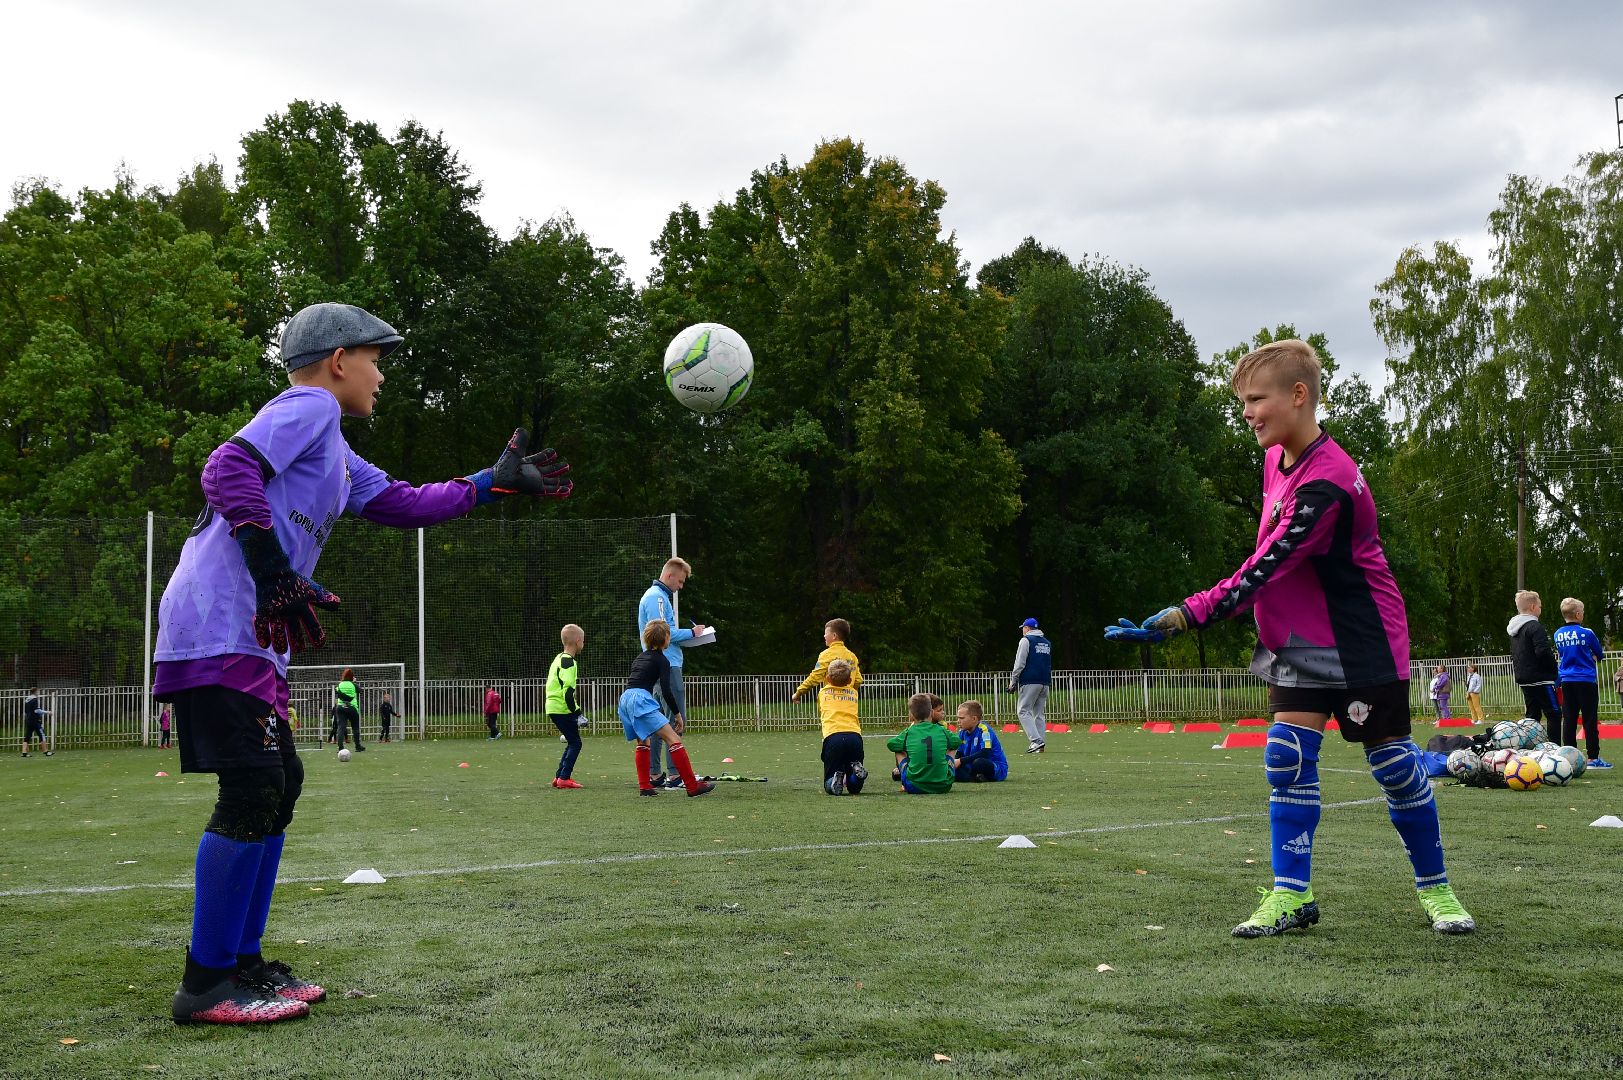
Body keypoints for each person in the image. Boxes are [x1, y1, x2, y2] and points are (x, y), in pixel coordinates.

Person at [152, 300, 572, 1025]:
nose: (381, 375)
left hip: (247, 634)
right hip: (218, 623)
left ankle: (242, 965)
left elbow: (405, 501)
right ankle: (206, 984)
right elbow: (226, 468)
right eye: (376, 359)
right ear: (339, 361)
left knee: (278, 784)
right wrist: (272, 565)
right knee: (253, 791)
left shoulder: (336, 451)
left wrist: (488, 483)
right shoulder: (309, 406)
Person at [1104, 338, 1474, 938]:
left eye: (1256, 400)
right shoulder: (1276, 458)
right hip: (1297, 643)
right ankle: (1291, 896)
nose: (1247, 413)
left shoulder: (1328, 483)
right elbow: (1268, 560)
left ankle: (1438, 892)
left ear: (1298, 396)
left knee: (1396, 767)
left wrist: (1184, 615)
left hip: (1361, 643)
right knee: (1285, 758)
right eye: (1243, 402)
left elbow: (1266, 566)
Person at [618, 619, 713, 798]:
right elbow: (667, 690)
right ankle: (692, 787)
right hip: (640, 700)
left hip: (626, 698)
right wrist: (677, 714)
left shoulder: (640, 656)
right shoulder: (663, 660)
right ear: (665, 639)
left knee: (643, 742)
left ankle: (645, 787)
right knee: (673, 739)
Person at [637, 558, 709, 788]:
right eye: (680, 581)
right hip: (667, 664)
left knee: (656, 720)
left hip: (658, 664)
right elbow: (662, 633)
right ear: (669, 576)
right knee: (674, 719)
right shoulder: (658, 598)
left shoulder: (654, 596)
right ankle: (675, 775)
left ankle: (656, 774)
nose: (681, 586)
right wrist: (693, 633)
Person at [1553, 597, 1611, 769]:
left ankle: (1568, 758)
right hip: (1586, 680)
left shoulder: (1557, 634)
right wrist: (1592, 657)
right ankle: (1593, 758)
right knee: (1590, 719)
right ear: (1578, 614)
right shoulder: (1587, 633)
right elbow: (1599, 654)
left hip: (1567, 681)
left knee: (1569, 720)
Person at [1508, 590, 1561, 738]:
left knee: (1532, 716)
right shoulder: (1535, 627)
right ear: (1532, 607)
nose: (1540, 609)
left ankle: (1531, 748)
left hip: (1524, 678)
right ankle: (1554, 749)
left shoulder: (1514, 629)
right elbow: (1543, 652)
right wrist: (1554, 671)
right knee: (1553, 713)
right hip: (1541, 678)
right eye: (1540, 606)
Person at [887, 693, 956, 794]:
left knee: (898, 749)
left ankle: (904, 781)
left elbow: (891, 744)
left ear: (911, 716)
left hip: (914, 787)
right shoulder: (942, 729)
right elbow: (957, 741)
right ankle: (941, 775)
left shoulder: (909, 732)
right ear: (931, 713)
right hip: (943, 786)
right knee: (953, 746)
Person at [817, 659, 865, 795]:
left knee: (829, 781)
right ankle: (855, 774)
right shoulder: (854, 693)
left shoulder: (823, 693)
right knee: (855, 789)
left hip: (833, 737)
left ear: (827, 678)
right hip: (854, 737)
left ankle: (834, 779)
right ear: (850, 680)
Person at [548, 624, 587, 789]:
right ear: (578, 641)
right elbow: (568, 692)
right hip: (562, 708)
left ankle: (559, 777)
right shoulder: (569, 662)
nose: (583, 644)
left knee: (572, 741)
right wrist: (578, 714)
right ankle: (564, 778)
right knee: (576, 743)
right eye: (583, 641)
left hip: (552, 706)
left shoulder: (558, 658)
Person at [791, 619, 863, 702]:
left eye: (826, 633)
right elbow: (858, 680)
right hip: (849, 701)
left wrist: (798, 692)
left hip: (831, 701)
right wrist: (849, 692)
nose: (824, 636)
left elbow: (815, 677)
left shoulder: (826, 654)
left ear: (834, 636)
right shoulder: (852, 656)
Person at [1009, 618, 1052, 754]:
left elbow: (1020, 663)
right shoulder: (1046, 643)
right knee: (1038, 713)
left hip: (1029, 680)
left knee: (1023, 711)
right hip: (1044, 681)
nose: (1022, 630)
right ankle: (1041, 745)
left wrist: (1013, 681)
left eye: (1023, 627)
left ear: (1027, 628)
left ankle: (1036, 741)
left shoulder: (1026, 640)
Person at [952, 700, 1009, 783]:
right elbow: (959, 753)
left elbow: (985, 752)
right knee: (953, 768)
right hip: (971, 765)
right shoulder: (962, 732)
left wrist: (960, 761)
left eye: (961, 718)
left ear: (974, 719)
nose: (958, 721)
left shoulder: (984, 730)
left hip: (994, 767)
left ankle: (970, 777)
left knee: (979, 763)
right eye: (958, 718)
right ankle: (974, 778)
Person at [333, 669, 364, 753]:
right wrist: (353, 682)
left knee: (341, 727)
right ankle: (358, 746)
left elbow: (337, 691)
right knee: (355, 728)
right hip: (352, 707)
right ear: (351, 677)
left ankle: (340, 747)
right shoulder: (353, 685)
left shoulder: (339, 685)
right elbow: (360, 691)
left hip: (340, 707)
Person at [21, 687, 51, 757]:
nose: (39, 693)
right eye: (38, 691)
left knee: (27, 736)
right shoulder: (35, 700)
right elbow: (36, 711)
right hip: (35, 720)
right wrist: (47, 712)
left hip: (28, 720)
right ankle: (46, 751)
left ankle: (24, 752)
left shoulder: (27, 700)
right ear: (36, 692)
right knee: (42, 734)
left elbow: (27, 711)